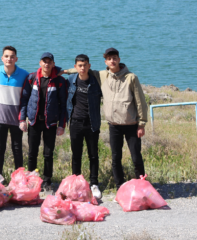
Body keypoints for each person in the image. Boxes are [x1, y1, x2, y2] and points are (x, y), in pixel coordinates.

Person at [64, 48, 148, 191]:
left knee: (136, 157)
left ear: (119, 60)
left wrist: (141, 124)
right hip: (113, 124)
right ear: (106, 62)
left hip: (131, 124)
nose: (112, 61)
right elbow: (82, 70)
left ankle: (143, 186)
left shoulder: (131, 77)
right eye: (109, 59)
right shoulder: (103, 75)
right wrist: (62, 71)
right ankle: (119, 187)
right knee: (116, 158)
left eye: (114, 58)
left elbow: (140, 102)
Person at [19, 52, 68, 190]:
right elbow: (24, 99)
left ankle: (47, 181)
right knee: (32, 152)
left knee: (48, 153)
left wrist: (61, 125)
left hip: (50, 123)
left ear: (53, 64)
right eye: (44, 61)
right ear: (40, 63)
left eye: (49, 62)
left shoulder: (59, 81)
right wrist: (22, 119)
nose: (46, 64)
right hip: (34, 121)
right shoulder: (31, 78)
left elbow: (63, 105)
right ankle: (32, 180)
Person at [0, 46, 29, 179]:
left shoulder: (24, 75)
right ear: (2, 58)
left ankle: (18, 178)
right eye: (6, 56)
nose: (9, 59)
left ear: (16, 59)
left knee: (17, 149)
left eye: (12, 56)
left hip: (16, 119)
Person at [65, 54, 102, 199]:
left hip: (92, 123)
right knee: (76, 155)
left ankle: (94, 184)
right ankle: (76, 182)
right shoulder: (71, 80)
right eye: (80, 65)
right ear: (75, 67)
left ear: (89, 66)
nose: (82, 68)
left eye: (85, 65)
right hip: (75, 122)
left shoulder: (96, 81)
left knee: (93, 155)